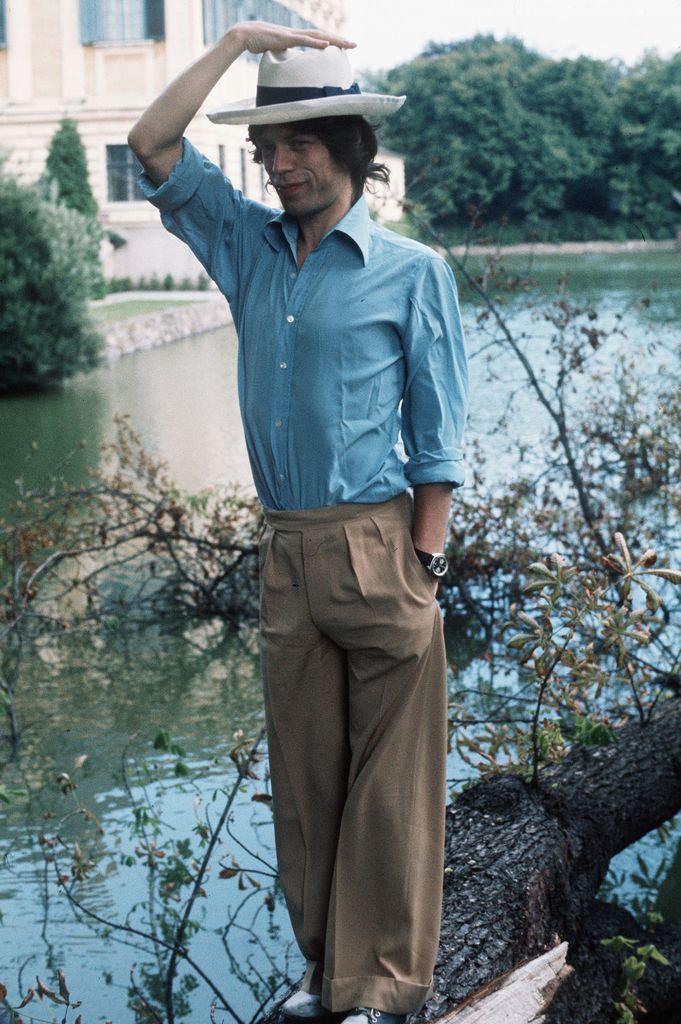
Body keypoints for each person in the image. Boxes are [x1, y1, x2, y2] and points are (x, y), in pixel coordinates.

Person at [128, 20, 468, 1024]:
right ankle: (326, 973)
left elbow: (439, 436)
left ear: (354, 145)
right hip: (286, 549)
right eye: (268, 145)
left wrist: (424, 565)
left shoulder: (413, 271)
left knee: (392, 785)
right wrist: (233, 41)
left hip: (382, 541)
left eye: (302, 142)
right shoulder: (247, 247)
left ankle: (386, 987)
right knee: (308, 781)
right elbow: (154, 144)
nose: (279, 163)